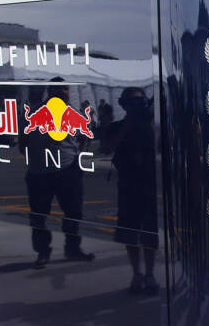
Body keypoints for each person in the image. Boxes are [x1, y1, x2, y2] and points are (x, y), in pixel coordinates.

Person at [21, 78, 96, 268]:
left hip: (68, 169)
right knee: (39, 215)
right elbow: (23, 142)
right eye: (58, 88)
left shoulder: (74, 112)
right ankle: (42, 252)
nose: (63, 92)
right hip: (40, 172)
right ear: (50, 90)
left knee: (73, 212)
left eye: (65, 88)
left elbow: (84, 139)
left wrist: (76, 157)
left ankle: (73, 249)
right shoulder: (35, 112)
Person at [103, 87, 159, 294]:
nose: (136, 107)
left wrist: (149, 119)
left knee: (149, 234)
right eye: (132, 103)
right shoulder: (118, 126)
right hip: (128, 186)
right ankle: (137, 273)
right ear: (124, 105)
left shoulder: (151, 125)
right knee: (129, 233)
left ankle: (150, 274)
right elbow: (107, 147)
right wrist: (128, 125)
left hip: (149, 186)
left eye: (139, 103)